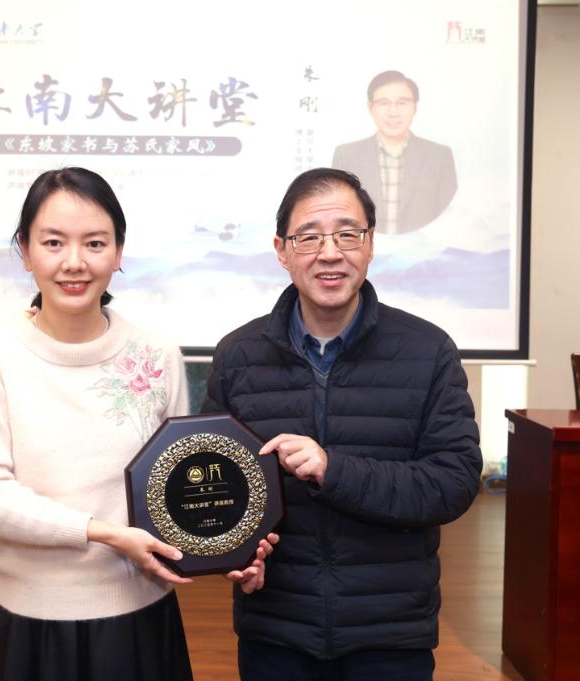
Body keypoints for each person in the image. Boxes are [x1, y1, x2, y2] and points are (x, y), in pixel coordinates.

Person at [0, 167, 272, 681]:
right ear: (25, 251)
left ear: (119, 252)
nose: (74, 262)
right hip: (32, 622)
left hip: (141, 615)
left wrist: (226, 546)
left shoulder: (156, 353)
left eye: (95, 243)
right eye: (53, 242)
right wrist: (105, 534)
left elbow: (177, 490)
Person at [203, 167, 482, 681]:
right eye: (309, 237)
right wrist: (232, 554)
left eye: (347, 234)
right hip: (275, 631)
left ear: (370, 244)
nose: (329, 253)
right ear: (282, 250)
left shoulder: (428, 351)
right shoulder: (238, 356)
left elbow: (454, 483)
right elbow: (217, 492)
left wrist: (333, 469)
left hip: (389, 635)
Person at [331, 70, 457, 234]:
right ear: (370, 108)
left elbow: (449, 218)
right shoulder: (346, 156)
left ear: (415, 107)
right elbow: (337, 217)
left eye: (402, 103)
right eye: (384, 103)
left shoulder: (440, 157)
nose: (393, 112)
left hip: (423, 248)